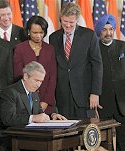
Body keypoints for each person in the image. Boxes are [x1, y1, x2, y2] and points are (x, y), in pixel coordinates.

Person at [49, 2, 103, 119]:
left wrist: (95, 92)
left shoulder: (89, 35)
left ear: (77, 20)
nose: (67, 25)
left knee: (85, 132)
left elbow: (97, 65)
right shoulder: (53, 37)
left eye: (71, 23)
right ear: (60, 18)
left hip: (84, 94)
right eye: (65, 21)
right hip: (62, 95)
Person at [0, 61, 66, 150]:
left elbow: (39, 113)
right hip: (9, 138)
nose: (39, 84)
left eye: (41, 81)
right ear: (26, 76)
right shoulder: (9, 92)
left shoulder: (34, 93)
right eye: (36, 80)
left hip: (29, 136)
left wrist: (52, 115)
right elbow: (8, 119)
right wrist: (33, 118)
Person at [13, 15, 56, 115]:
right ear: (28, 31)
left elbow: (52, 77)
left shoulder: (50, 49)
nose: (38, 36)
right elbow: (18, 75)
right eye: (35, 32)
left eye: (41, 32)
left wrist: (46, 101)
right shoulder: (19, 49)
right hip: (25, 102)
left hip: (47, 102)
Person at [95, 14, 125, 151]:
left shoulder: (123, 46)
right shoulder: (93, 48)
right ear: (99, 31)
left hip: (122, 102)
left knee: (122, 140)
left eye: (111, 29)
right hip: (102, 102)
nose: (108, 33)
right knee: (102, 142)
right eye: (104, 29)